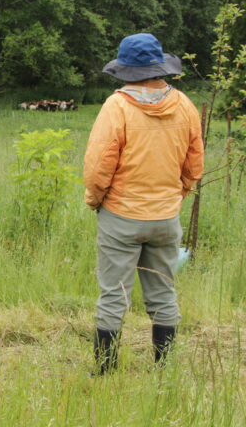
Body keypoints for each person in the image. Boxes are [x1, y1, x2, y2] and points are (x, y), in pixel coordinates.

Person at [83, 33, 204, 374]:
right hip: (166, 217)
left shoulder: (117, 106)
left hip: (121, 214)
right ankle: (163, 371)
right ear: (159, 68)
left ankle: (104, 372)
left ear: (126, 70)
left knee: (113, 294)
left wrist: (95, 200)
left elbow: (98, 167)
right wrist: (175, 195)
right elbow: (194, 165)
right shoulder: (184, 104)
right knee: (163, 293)